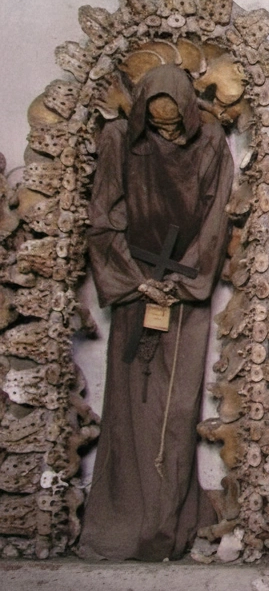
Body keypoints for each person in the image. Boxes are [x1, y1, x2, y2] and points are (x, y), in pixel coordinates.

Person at [80, 64, 235, 560]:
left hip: (184, 293)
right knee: (129, 405)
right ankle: (122, 520)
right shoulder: (118, 139)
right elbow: (104, 216)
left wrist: (182, 281)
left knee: (177, 407)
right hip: (135, 287)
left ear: (189, 114)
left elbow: (215, 218)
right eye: (158, 122)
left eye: (175, 124)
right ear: (143, 112)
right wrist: (137, 281)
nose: (167, 131)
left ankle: (165, 524)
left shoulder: (210, 143)